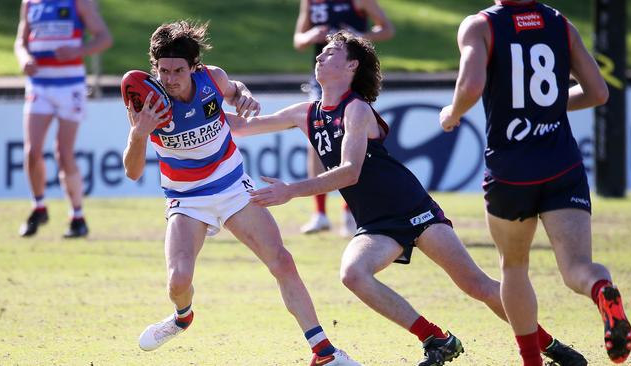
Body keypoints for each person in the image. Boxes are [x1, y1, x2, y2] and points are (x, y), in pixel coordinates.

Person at [228, 31, 588, 366]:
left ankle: (550, 346)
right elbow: (242, 126)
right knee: (353, 274)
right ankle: (435, 338)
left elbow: (350, 171)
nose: (320, 55)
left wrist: (291, 190)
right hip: (376, 223)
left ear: (352, 66)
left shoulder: (356, 109)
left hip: (411, 209)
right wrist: (203, 98)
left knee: (476, 286)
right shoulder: (305, 113)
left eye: (331, 52)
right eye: (321, 52)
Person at [123, 21, 360, 366]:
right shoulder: (146, 103)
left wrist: (244, 96)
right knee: (178, 281)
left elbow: (235, 91)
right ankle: (182, 317)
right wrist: (138, 134)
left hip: (232, 186)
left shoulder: (212, 79)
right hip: (186, 199)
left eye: (178, 70)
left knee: (281, 261)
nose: (170, 78)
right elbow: (132, 172)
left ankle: (323, 351)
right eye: (163, 70)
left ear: (194, 67)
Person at [439, 1, 631, 365]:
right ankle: (602, 289)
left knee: (513, 266)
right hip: (562, 165)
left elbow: (472, 84)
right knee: (578, 267)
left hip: (511, 171)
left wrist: (452, 113)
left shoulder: (480, 25)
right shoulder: (559, 22)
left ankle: (532, 359)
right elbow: (598, 93)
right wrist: (548, 108)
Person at [294, 0, 394, 236]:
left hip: (350, 80)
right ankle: (319, 213)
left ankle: (350, 210)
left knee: (350, 140)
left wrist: (361, 36)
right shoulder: (310, 1)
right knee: (316, 141)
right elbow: (298, 40)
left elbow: (387, 29)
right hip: (321, 81)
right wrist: (310, 36)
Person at [14, 0, 112, 238]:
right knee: (32, 151)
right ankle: (38, 207)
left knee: (63, 152)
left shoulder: (79, 2)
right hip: (39, 85)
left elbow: (103, 38)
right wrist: (24, 58)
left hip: (70, 87)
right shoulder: (30, 3)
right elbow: (21, 41)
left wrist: (78, 51)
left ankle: (77, 216)